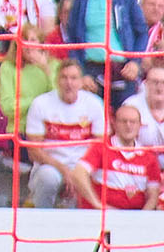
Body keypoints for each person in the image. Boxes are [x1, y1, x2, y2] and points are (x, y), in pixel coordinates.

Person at [22, 59, 106, 209]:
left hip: (83, 166)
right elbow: (34, 151)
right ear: (57, 80)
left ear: (81, 82)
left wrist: (78, 172)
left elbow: (100, 146)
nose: (69, 83)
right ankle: (40, 222)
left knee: (95, 179)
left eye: (73, 78)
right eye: (64, 77)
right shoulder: (40, 104)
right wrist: (64, 170)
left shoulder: (95, 104)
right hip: (51, 166)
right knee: (47, 178)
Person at [66, 102, 161, 211]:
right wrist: (97, 204)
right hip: (103, 217)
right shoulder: (101, 147)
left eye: (133, 122)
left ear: (140, 125)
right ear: (114, 124)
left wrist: (141, 218)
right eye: (123, 121)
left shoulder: (149, 157)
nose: (128, 125)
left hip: (134, 219)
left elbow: (153, 195)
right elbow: (78, 174)